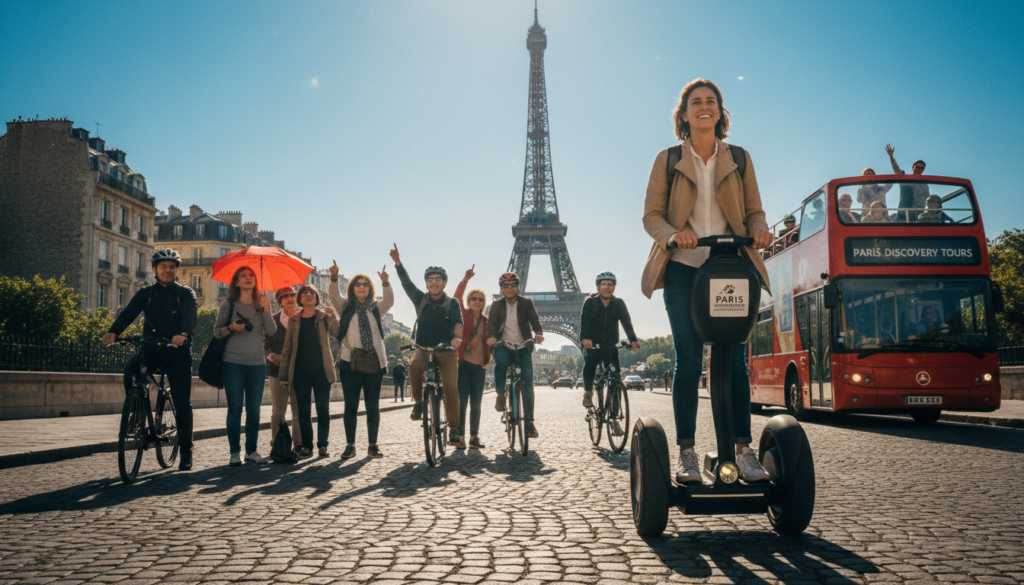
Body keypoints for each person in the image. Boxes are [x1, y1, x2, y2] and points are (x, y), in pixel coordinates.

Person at [641, 78, 773, 483]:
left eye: (711, 101)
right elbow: (652, 216)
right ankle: (687, 454)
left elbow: (754, 212)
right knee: (688, 359)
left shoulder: (740, 158)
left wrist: (762, 229)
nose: (704, 107)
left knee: (733, 359)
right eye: (695, 102)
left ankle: (744, 451)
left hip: (730, 267)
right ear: (683, 114)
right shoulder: (667, 160)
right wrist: (671, 235)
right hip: (683, 267)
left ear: (720, 111)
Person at [104, 248, 198, 471]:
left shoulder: (185, 293)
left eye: (172, 267)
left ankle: (186, 450)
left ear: (176, 270)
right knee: (130, 372)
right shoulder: (146, 293)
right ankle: (137, 414)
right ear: (155, 270)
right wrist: (114, 331)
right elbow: (129, 313)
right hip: (151, 347)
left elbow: (190, 318)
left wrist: (183, 335)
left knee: (182, 401)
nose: (168, 270)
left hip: (177, 350)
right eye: (163, 267)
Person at [389, 245, 464, 444]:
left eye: (437, 279)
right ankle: (419, 403)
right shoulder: (420, 299)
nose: (433, 283)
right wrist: (398, 264)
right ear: (426, 283)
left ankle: (455, 429)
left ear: (444, 282)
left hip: (447, 351)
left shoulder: (452, 303)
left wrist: (457, 338)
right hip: (423, 348)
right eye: (429, 279)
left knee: (450, 388)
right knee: (414, 367)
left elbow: (458, 322)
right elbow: (406, 284)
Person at [329, 262, 394, 459]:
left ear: (370, 288)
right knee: (351, 405)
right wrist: (333, 278)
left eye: (365, 284)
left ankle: (373, 445)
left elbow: (389, 301)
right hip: (350, 361)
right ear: (352, 288)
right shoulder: (346, 306)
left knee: (372, 405)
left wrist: (385, 283)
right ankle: (350, 445)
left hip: (373, 362)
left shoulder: (376, 308)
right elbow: (333, 296)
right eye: (358, 284)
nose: (362, 287)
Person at [213, 266, 277, 466]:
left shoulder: (261, 304)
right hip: (232, 363)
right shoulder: (228, 305)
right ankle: (234, 453)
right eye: (244, 276)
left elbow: (272, 331)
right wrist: (231, 328)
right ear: (237, 282)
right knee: (234, 409)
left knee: (254, 410)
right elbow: (216, 332)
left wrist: (267, 310)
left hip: (256, 364)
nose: (248, 279)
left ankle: (251, 451)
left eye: (251, 276)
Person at [278, 284, 339, 458]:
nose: (308, 295)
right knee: (304, 411)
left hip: (322, 371)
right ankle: (307, 446)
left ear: (317, 298)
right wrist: (283, 375)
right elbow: (288, 347)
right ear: (300, 299)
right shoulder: (294, 319)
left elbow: (336, 332)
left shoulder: (323, 317)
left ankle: (322, 445)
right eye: (304, 293)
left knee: (323, 410)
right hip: (300, 373)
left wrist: (333, 316)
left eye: (312, 292)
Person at [580, 271, 640, 436]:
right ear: (598, 286)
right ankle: (587, 392)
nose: (607, 288)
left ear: (614, 287)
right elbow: (584, 322)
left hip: (611, 346)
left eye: (610, 284)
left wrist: (633, 340)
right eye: (604, 284)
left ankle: (614, 420)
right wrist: (585, 339)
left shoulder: (619, 303)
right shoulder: (590, 302)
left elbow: (626, 322)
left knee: (615, 380)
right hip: (592, 344)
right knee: (590, 362)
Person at [486, 272, 545, 438]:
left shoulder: (526, 303)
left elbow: (535, 322)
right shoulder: (496, 305)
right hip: (503, 344)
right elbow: (490, 326)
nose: (509, 288)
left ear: (518, 286)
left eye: (512, 284)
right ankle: (500, 394)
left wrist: (538, 333)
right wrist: (490, 337)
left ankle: (530, 422)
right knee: (502, 363)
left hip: (523, 345)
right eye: (505, 285)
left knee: (528, 383)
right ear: (501, 288)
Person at [453, 266, 490, 449]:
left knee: (476, 404)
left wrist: (488, 362)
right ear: (469, 301)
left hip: (479, 368)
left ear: (484, 302)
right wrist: (465, 280)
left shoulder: (487, 321)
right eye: (473, 298)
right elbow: (456, 299)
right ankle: (460, 437)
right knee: (462, 403)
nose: (477, 301)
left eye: (480, 299)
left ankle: (474, 437)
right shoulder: (464, 314)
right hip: (463, 365)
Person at [265, 286, 303, 453]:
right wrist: (273, 356)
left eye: (293, 294)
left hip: (299, 371)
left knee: (297, 410)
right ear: (279, 302)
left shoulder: (304, 318)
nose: (290, 298)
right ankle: (277, 444)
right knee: (278, 411)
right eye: (285, 296)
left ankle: (299, 444)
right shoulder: (272, 321)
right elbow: (264, 345)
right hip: (276, 371)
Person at [886, 144, 928, 222]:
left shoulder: (924, 184)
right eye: (917, 167)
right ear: (913, 168)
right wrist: (891, 157)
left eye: (922, 168)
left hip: (919, 213)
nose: (919, 169)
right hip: (904, 213)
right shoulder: (906, 179)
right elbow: (897, 171)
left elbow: (927, 198)